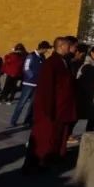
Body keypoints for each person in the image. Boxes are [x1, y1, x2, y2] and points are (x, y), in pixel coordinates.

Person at [23, 37, 77, 172]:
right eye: (68, 46)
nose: (69, 48)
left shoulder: (63, 61)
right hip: (51, 107)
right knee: (45, 136)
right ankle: (38, 162)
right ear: (61, 46)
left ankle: (52, 159)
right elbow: (46, 88)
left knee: (57, 135)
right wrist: (48, 108)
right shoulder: (51, 63)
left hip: (62, 107)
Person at [11, 40, 51, 127]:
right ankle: (14, 120)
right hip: (28, 84)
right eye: (46, 49)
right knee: (22, 103)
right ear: (43, 48)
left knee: (33, 104)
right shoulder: (31, 56)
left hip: (38, 84)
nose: (46, 51)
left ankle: (28, 121)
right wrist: (32, 77)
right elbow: (26, 68)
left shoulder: (42, 57)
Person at [72, 44, 94, 136]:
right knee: (88, 115)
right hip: (83, 95)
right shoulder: (88, 64)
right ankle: (88, 134)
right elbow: (85, 81)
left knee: (84, 115)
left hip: (84, 94)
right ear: (92, 53)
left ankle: (87, 134)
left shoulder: (92, 63)